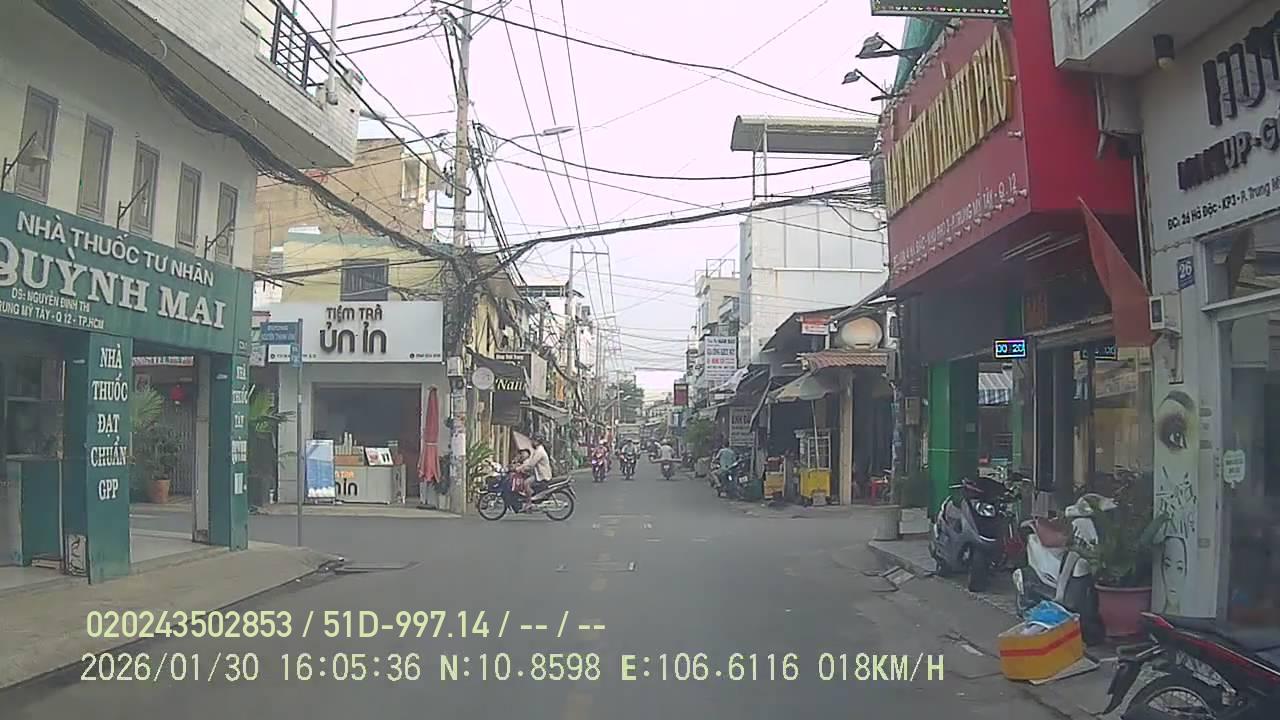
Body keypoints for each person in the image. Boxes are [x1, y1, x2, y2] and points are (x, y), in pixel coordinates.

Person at [515, 436, 552, 505]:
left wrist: (520, 468)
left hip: (542, 475)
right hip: (539, 474)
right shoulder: (538, 450)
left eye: (533, 441)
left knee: (526, 483)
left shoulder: (540, 451)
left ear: (537, 442)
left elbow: (531, 464)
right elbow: (530, 461)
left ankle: (529, 503)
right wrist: (521, 466)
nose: (531, 442)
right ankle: (531, 495)